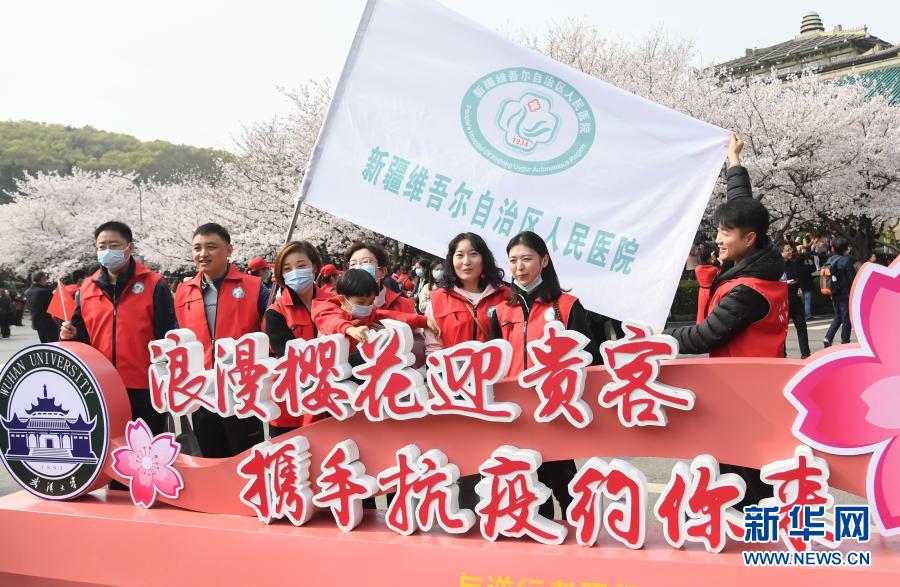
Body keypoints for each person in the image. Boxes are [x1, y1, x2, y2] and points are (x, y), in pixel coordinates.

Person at [669, 133, 787, 510]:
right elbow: (742, 207)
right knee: (736, 470)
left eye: (725, 233)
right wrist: (735, 161)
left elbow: (706, 336)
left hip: (746, 398)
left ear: (749, 239)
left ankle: (758, 533)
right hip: (751, 390)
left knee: (746, 479)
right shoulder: (757, 258)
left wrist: (659, 337)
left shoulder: (748, 291)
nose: (717, 239)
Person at [489, 230, 601, 520]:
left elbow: (590, 358)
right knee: (529, 489)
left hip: (556, 411)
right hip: (517, 415)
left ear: (545, 260)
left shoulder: (566, 306)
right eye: (513, 260)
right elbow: (493, 365)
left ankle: (579, 537)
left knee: (566, 486)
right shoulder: (500, 312)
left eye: (527, 259)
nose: (519, 267)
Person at [60, 221, 176, 436]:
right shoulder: (87, 287)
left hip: (146, 386)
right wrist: (71, 334)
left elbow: (168, 336)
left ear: (130, 247)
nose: (107, 251)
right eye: (102, 246)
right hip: (101, 385)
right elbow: (82, 335)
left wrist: (168, 380)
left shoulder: (154, 284)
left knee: (147, 447)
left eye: (114, 245)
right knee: (109, 445)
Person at [174, 223, 268, 458]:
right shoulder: (183, 292)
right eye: (197, 248)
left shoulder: (253, 287)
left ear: (229, 250)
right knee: (211, 457)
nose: (203, 254)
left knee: (247, 458)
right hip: (202, 389)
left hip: (242, 388)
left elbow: (270, 330)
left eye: (211, 247)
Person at [264, 240, 333, 437]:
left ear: (314, 267)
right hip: (291, 406)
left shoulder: (335, 303)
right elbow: (290, 358)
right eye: (287, 269)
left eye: (301, 265)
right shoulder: (276, 312)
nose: (295, 272)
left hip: (331, 402)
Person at [311, 268, 438, 350]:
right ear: (343, 300)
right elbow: (331, 320)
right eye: (360, 302)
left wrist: (423, 320)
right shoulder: (327, 309)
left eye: (371, 302)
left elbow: (393, 316)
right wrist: (349, 329)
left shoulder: (371, 313)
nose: (366, 306)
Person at [426, 232, 509, 353]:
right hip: (452, 365)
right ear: (451, 261)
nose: (466, 261)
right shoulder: (438, 299)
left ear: (484, 259)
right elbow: (434, 349)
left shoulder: (506, 296)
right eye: (459, 255)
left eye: (473, 254)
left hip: (497, 365)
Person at [779, 241, 811, 359]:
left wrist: (800, 287)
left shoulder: (793, 264)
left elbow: (799, 278)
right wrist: (785, 283)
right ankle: (782, 355)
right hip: (783, 302)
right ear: (781, 252)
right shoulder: (775, 266)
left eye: (790, 249)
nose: (790, 252)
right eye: (787, 250)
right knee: (782, 331)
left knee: (802, 327)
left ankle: (805, 354)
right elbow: (772, 283)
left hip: (796, 300)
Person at [822, 238, 857, 348]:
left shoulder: (830, 259)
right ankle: (845, 340)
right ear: (846, 249)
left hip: (833, 291)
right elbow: (852, 279)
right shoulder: (846, 261)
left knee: (838, 315)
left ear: (833, 248)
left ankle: (828, 337)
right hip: (845, 292)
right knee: (846, 316)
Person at [25, 271, 59, 343]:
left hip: (36, 321)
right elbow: (55, 304)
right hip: (49, 322)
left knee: (44, 343)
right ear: (42, 279)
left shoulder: (27, 292)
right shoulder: (45, 291)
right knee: (53, 344)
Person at [693, 242, 719, 324]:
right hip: (711, 291)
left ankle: (699, 323)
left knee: (701, 309)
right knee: (709, 309)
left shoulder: (697, 269)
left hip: (702, 291)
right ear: (708, 258)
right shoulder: (714, 269)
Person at [796, 253, 816, 320]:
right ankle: (808, 315)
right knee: (807, 301)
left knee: (802, 302)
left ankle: (802, 315)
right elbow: (813, 269)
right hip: (808, 285)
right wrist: (811, 263)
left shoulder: (795, 266)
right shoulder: (806, 267)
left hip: (799, 286)